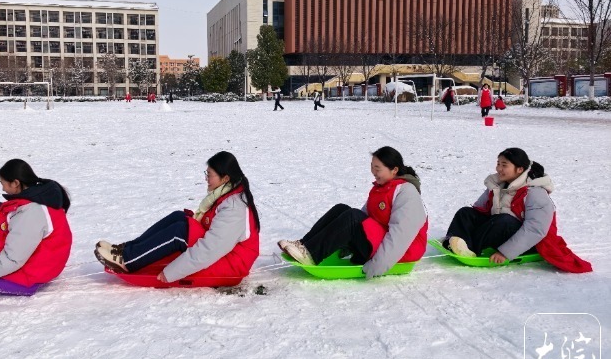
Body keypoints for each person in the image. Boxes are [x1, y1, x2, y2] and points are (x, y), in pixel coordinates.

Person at [94, 151, 260, 283]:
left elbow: (210, 249)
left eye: (209, 175)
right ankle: (127, 250)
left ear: (225, 178)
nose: (206, 179)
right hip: (223, 253)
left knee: (179, 233)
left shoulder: (234, 208)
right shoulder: (227, 193)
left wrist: (172, 272)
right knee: (179, 217)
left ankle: (128, 261)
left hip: (230, 263)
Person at [278, 146, 428, 278]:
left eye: (378, 168)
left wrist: (378, 265)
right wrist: (346, 240)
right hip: (381, 241)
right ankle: (304, 245)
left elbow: (401, 235)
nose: (373, 172)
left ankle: (311, 254)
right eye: (372, 167)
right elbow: (365, 218)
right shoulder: (382, 188)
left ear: (394, 170)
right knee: (342, 209)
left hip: (402, 252)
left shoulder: (407, 192)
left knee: (353, 216)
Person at [443, 148, 591, 272]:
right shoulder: (499, 184)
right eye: (498, 164)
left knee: (504, 221)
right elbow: (480, 209)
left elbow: (535, 229)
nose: (499, 169)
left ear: (519, 169)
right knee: (466, 212)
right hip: (501, 230)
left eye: (504, 165)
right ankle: (456, 242)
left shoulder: (535, 193)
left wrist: (505, 253)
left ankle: (471, 248)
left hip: (529, 243)